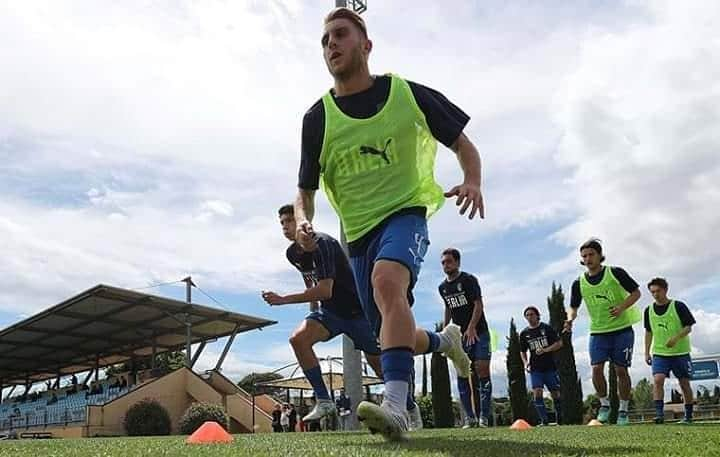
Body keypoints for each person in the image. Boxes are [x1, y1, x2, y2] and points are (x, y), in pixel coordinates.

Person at [293, 7, 482, 441]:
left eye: (340, 35)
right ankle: (443, 342)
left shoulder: (406, 93)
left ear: (366, 45)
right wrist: (304, 220)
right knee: (388, 333)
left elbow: (462, 143)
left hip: (404, 213)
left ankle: (395, 407)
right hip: (358, 235)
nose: (331, 45)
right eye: (325, 41)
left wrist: (472, 180)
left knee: (387, 282)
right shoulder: (317, 118)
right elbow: (304, 189)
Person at [262, 204, 383, 423]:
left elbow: (325, 289)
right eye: (282, 223)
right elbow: (311, 282)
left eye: (290, 221)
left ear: (302, 222)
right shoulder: (292, 253)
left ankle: (408, 406)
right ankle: (324, 400)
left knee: (379, 366)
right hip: (330, 313)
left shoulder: (324, 244)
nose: (285, 227)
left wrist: (283, 300)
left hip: (357, 313)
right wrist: (313, 312)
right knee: (298, 339)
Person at [564, 239, 641, 426]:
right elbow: (573, 307)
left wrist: (622, 307)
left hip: (622, 330)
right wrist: (570, 319)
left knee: (621, 370)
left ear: (599, 255)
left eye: (591, 254)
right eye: (584, 256)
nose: (587, 259)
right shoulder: (578, 283)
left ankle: (623, 409)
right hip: (598, 331)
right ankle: (605, 404)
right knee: (596, 369)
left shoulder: (615, 273)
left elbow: (636, 293)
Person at [438, 248, 490, 428]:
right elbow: (448, 309)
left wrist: (472, 327)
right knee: (462, 373)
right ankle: (470, 418)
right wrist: (445, 332)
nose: (446, 265)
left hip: (479, 332)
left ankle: (484, 416)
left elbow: (478, 304)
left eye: (449, 261)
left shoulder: (468, 280)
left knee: (481, 370)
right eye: (443, 262)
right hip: (459, 336)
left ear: (458, 262)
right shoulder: (442, 288)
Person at [643, 277, 696, 424]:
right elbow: (648, 332)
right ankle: (659, 415)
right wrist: (646, 352)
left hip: (680, 353)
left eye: (658, 291)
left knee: (684, 383)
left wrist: (676, 338)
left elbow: (689, 327)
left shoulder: (678, 306)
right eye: (652, 292)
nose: (655, 294)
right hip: (660, 353)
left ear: (665, 290)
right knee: (658, 379)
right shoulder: (648, 311)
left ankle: (688, 416)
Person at [520, 306, 563, 425]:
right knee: (537, 392)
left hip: (549, 366)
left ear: (537, 315)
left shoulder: (546, 328)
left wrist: (546, 350)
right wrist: (525, 363)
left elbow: (559, 343)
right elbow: (522, 351)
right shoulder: (524, 333)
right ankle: (544, 421)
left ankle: (560, 418)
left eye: (532, 314)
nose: (529, 317)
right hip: (535, 368)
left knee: (555, 393)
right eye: (527, 315)